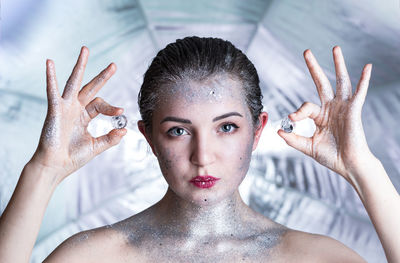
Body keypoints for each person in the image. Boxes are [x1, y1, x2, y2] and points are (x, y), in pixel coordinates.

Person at [0, 37, 398, 263]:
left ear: (257, 132)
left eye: (227, 127)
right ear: (150, 137)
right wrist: (44, 170)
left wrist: (363, 169)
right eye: (178, 131)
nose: (202, 156)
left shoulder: (316, 258)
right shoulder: (95, 256)